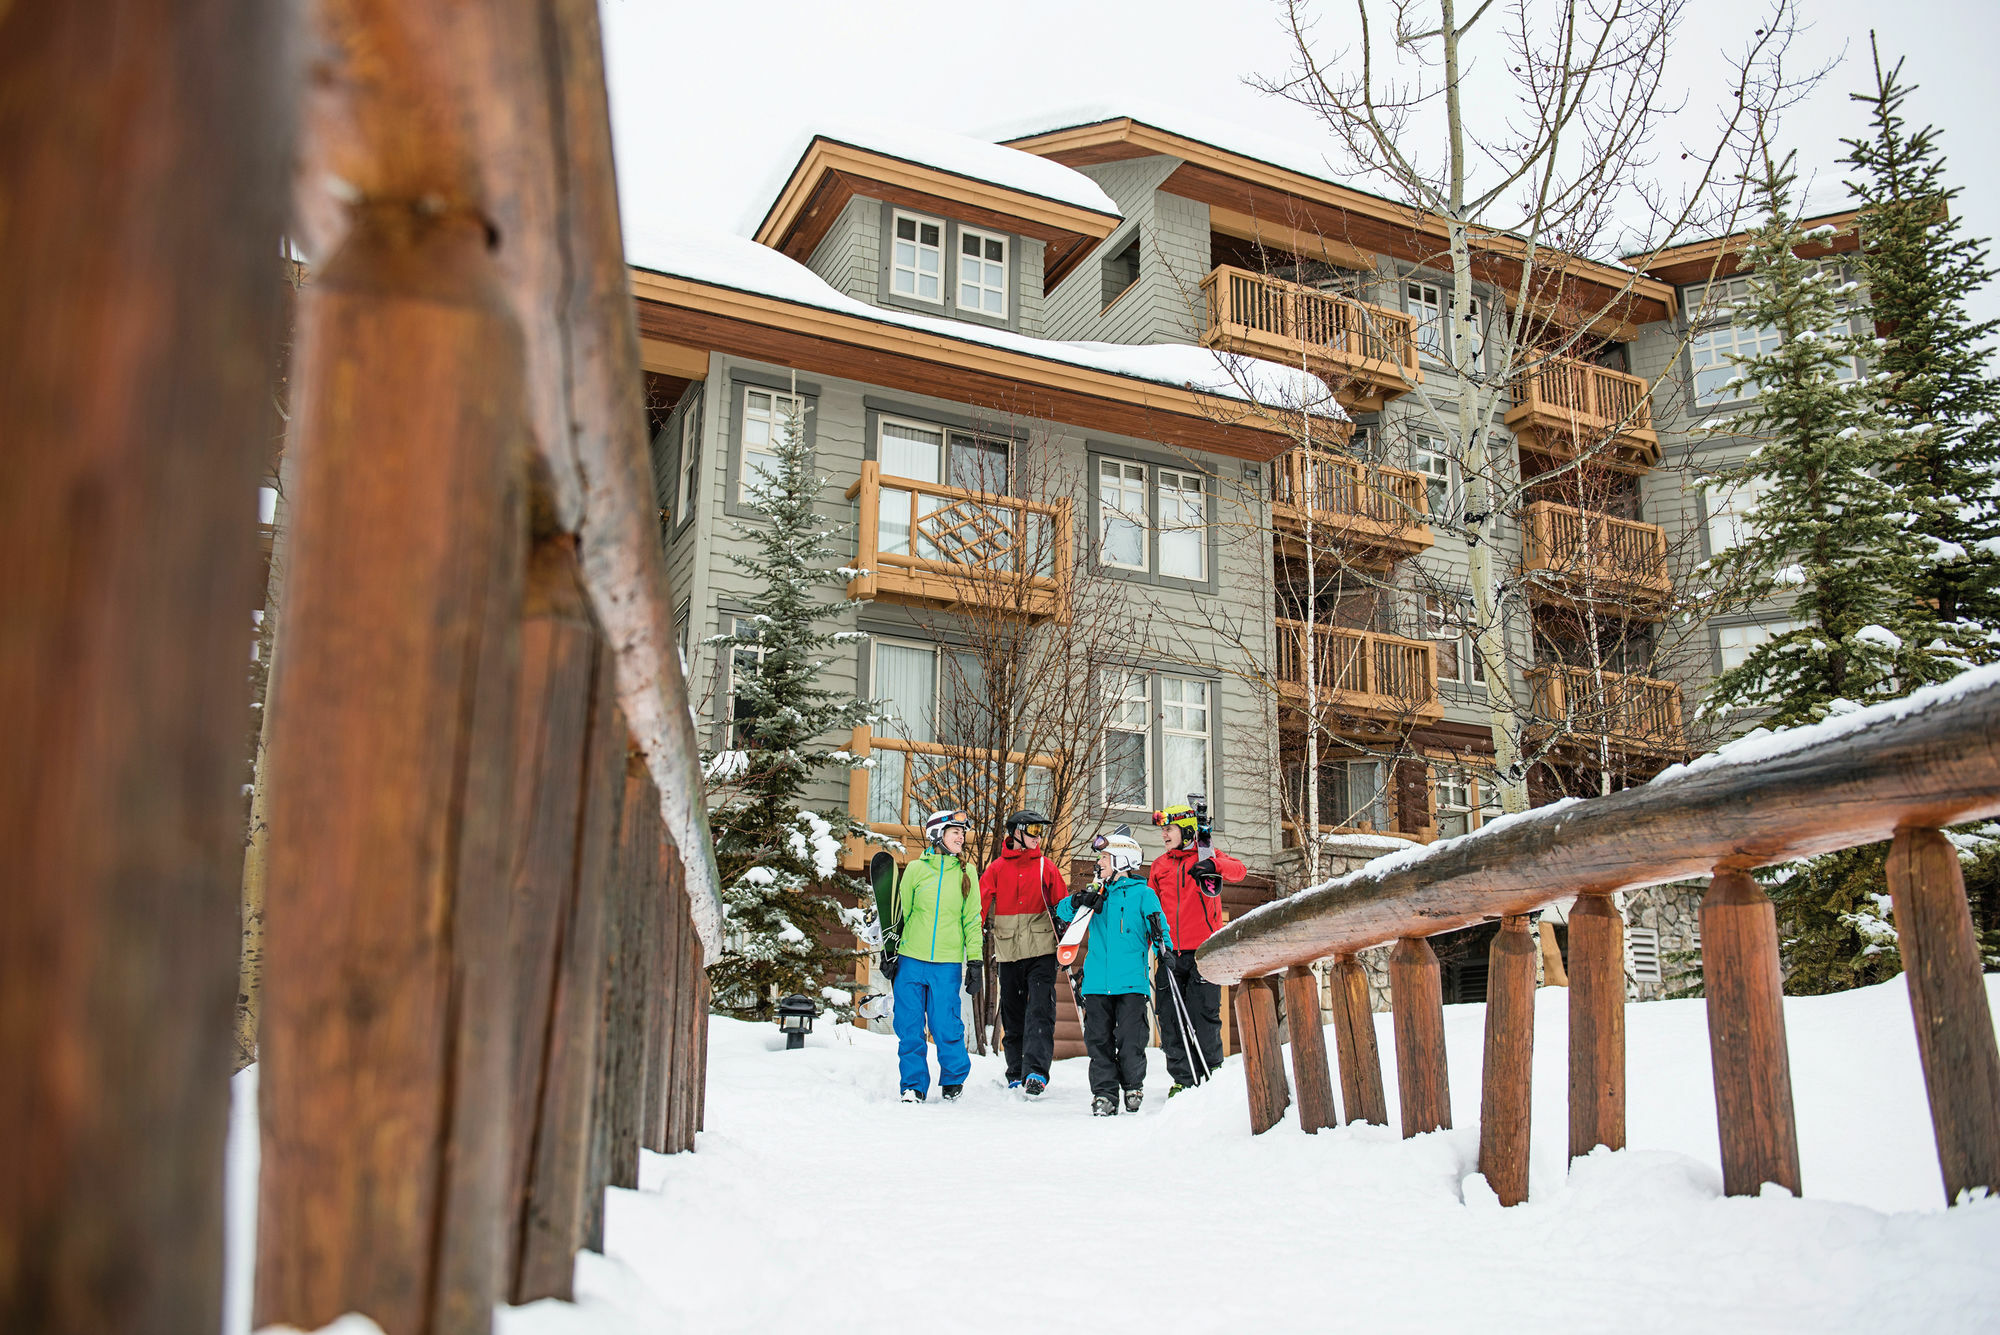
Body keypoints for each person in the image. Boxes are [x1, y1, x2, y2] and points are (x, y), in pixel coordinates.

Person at [1053, 828, 1172, 1116]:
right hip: (1096, 984)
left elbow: (1161, 931)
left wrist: (1166, 955)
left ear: (1122, 859)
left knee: (1131, 1039)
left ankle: (1133, 1085)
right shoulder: (1097, 894)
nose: (1099, 863)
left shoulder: (1144, 895)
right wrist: (1079, 900)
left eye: (1105, 857)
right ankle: (1104, 1094)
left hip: (1131, 983)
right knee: (1098, 1041)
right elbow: (1062, 912)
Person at [885, 808, 984, 1104]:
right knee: (910, 1026)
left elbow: (971, 919)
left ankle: (953, 1078)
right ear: (936, 835)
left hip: (946, 963)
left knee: (945, 1024)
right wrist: (889, 953)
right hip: (910, 960)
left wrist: (975, 961)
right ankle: (913, 1085)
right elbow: (900, 915)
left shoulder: (966, 873)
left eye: (962, 833)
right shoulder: (916, 870)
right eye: (955, 832)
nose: (961, 838)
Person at [1148, 802, 1245, 1095]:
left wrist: (1213, 865)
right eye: (1163, 830)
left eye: (1169, 829)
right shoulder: (1160, 866)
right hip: (1169, 955)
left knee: (1204, 1016)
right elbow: (1151, 906)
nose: (1164, 835)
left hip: (1203, 952)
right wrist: (1154, 944)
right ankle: (1183, 1079)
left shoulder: (1207, 856)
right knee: (1171, 1019)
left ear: (1187, 830)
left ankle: (1212, 1075)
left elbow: (1239, 871)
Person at [979, 808, 1068, 1097]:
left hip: (1042, 952)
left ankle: (1036, 1073)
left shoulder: (1046, 867)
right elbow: (978, 906)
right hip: (1008, 953)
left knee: (1040, 1011)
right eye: (1032, 831)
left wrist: (1067, 939)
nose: (1037, 837)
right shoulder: (996, 869)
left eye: (1039, 831)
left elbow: (1063, 907)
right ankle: (1015, 1071)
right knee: (1013, 1013)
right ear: (1015, 832)